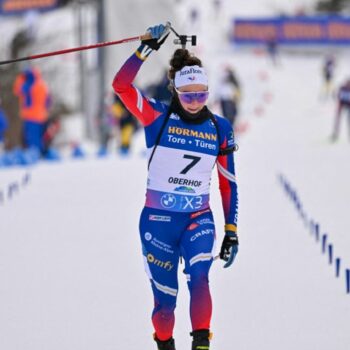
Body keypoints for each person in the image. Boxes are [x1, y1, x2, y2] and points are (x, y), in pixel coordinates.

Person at [112, 24, 239, 350]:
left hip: (198, 219)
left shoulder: (219, 127)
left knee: (199, 278)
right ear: (176, 92)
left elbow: (227, 183)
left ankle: (201, 344)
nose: (195, 102)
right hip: (158, 223)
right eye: (188, 95)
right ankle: (165, 344)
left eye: (201, 94)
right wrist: (144, 49)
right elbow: (121, 85)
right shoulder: (157, 116)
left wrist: (231, 228)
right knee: (165, 305)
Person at [13, 66, 51, 156]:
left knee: (32, 139)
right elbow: (48, 101)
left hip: (31, 116)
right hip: (41, 115)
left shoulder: (30, 83)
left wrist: (20, 77)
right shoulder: (42, 84)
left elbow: (17, 90)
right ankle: (41, 154)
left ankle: (35, 155)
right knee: (38, 138)